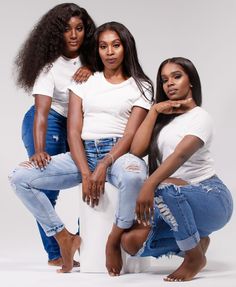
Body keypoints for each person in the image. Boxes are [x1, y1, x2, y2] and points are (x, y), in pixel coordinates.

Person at [9, 21, 154, 273]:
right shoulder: (83, 83)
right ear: (96, 50)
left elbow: (130, 134)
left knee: (135, 177)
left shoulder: (141, 85)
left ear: (126, 47)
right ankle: (63, 237)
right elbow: (73, 131)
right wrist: (86, 172)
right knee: (19, 177)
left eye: (116, 45)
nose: (109, 52)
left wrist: (104, 165)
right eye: (103, 46)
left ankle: (113, 239)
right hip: (84, 154)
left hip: (119, 154)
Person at [106, 57, 233, 281]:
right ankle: (194, 243)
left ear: (191, 81)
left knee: (164, 188)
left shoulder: (200, 117)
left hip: (210, 198)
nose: (169, 84)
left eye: (177, 76)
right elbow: (136, 151)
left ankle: (194, 257)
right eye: (164, 80)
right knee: (131, 242)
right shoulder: (165, 120)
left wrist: (150, 184)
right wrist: (154, 111)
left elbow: (181, 155)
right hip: (171, 200)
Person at [13, 3, 96, 266]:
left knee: (94, 181)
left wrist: (92, 68)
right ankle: (57, 252)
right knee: (45, 184)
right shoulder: (49, 67)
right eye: (66, 29)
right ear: (55, 33)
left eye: (79, 29)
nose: (73, 35)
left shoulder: (93, 58)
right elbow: (41, 112)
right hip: (49, 121)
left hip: (78, 125)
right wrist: (40, 150)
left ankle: (86, 242)